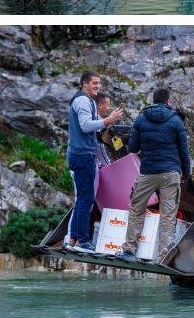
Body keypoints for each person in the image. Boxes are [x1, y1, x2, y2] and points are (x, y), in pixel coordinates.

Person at [119, 88, 191, 265]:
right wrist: (187, 173)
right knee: (168, 214)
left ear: (153, 100)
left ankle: (129, 249)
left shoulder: (141, 118)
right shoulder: (176, 120)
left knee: (137, 208)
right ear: (168, 101)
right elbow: (184, 151)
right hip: (170, 173)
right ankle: (163, 256)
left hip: (148, 172)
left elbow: (133, 148)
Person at [64, 71, 124, 251]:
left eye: (99, 83)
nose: (97, 86)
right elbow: (86, 125)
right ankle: (83, 240)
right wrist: (109, 119)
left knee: (83, 199)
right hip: (82, 156)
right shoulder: (82, 100)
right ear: (84, 83)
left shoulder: (88, 101)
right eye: (94, 83)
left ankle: (73, 239)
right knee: (86, 199)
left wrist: (109, 119)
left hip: (83, 155)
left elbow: (97, 121)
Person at [94, 92, 127, 165]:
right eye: (108, 105)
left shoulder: (99, 120)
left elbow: (115, 139)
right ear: (100, 105)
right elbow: (100, 147)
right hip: (97, 164)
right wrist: (108, 164)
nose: (109, 108)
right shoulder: (97, 123)